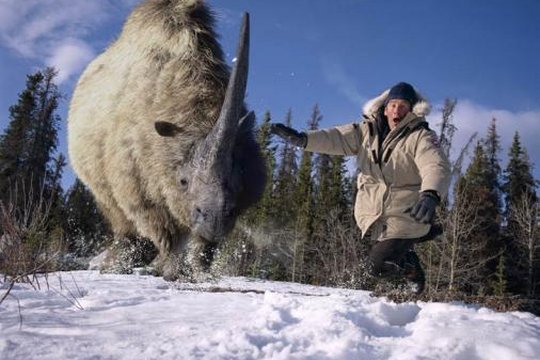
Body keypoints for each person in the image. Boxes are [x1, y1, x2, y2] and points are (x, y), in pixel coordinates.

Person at [270, 82, 451, 293]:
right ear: (385, 108)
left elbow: (435, 165)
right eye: (393, 105)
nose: (397, 111)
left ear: (411, 111)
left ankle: (359, 298)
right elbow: (335, 138)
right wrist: (304, 140)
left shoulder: (420, 136)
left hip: (407, 214)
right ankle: (407, 267)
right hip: (375, 215)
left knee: (372, 269)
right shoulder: (366, 132)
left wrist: (430, 194)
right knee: (380, 267)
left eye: (403, 106)